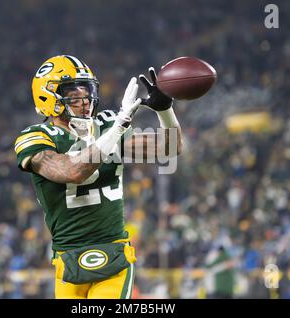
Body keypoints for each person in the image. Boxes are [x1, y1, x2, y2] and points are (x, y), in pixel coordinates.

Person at [14, 55, 182, 299]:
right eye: (74, 95)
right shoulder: (37, 137)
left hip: (112, 254)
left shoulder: (107, 125)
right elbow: (73, 171)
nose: (85, 101)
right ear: (48, 98)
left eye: (87, 91)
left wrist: (165, 111)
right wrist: (119, 126)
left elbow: (169, 148)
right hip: (67, 259)